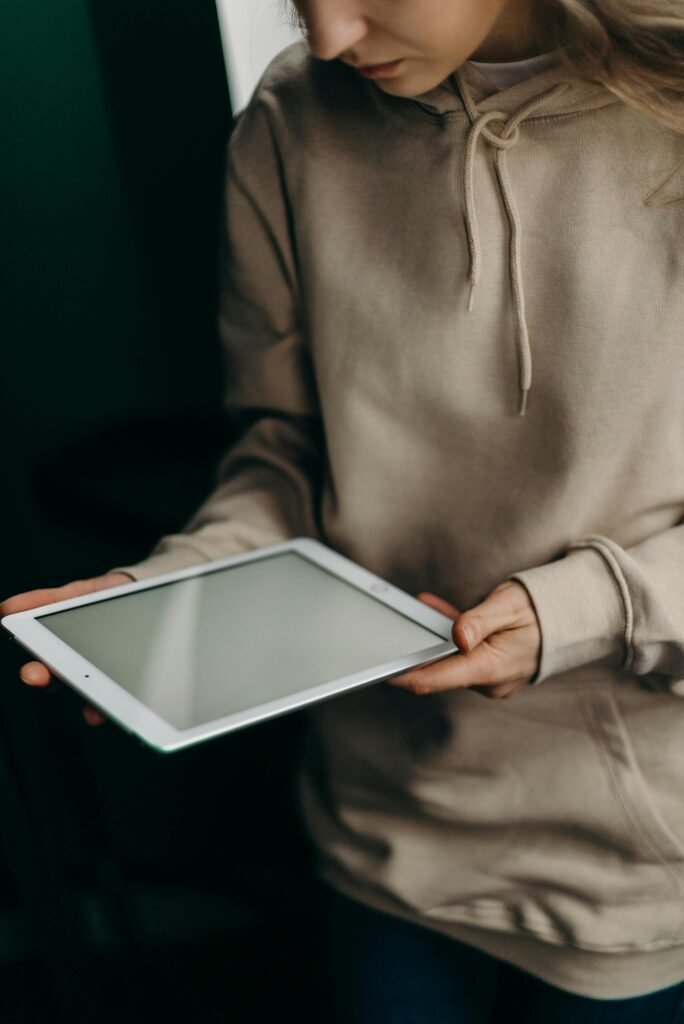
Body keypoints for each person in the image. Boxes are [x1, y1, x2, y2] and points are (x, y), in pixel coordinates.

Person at [3, 0, 684, 1019]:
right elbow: (284, 457)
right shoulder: (291, 119)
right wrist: (182, 587)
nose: (327, 37)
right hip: (380, 832)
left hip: (638, 867)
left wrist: (583, 609)